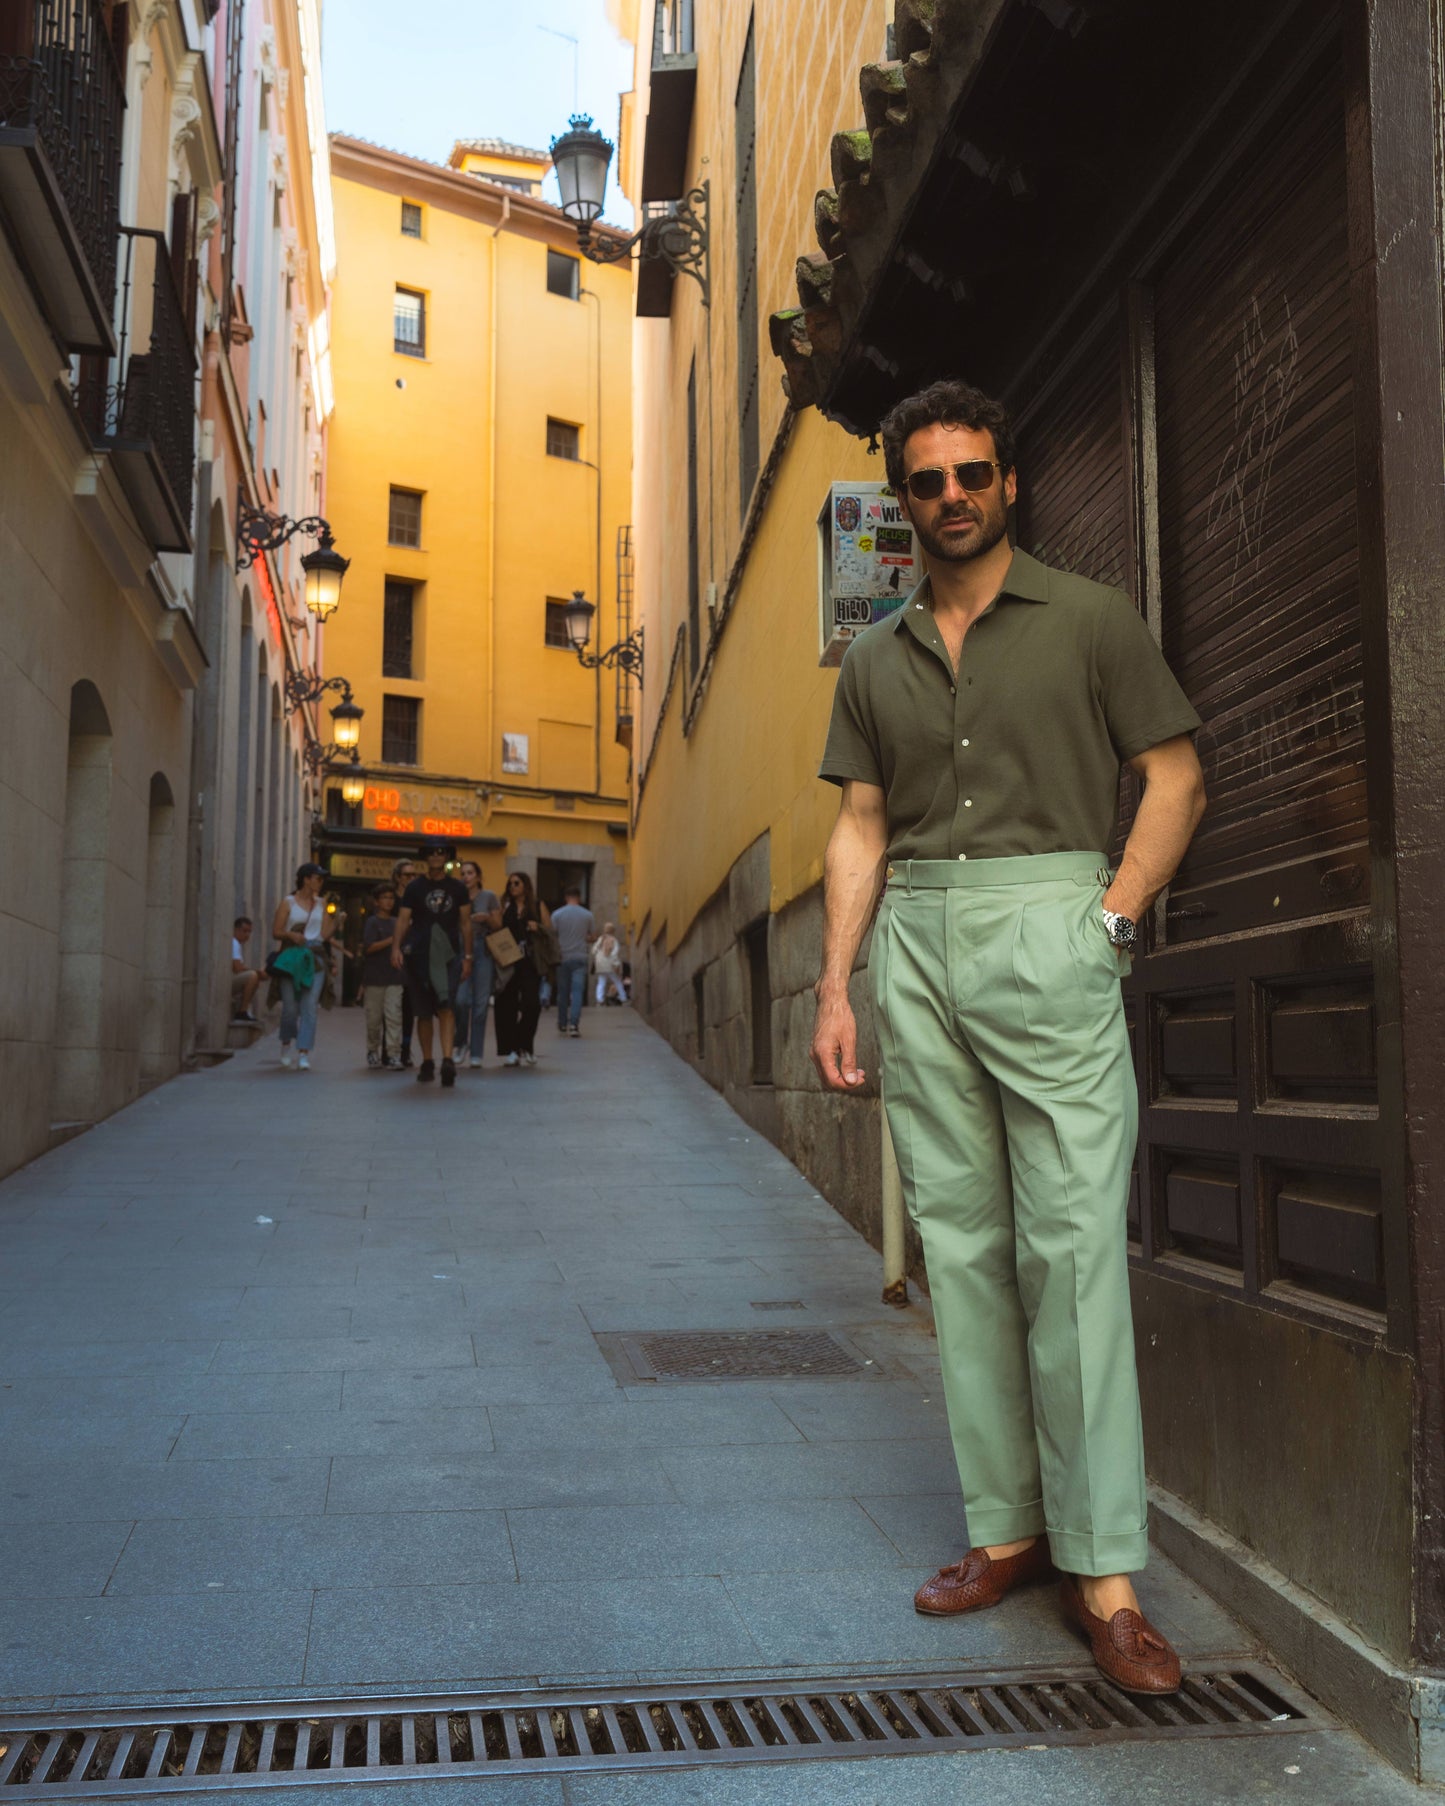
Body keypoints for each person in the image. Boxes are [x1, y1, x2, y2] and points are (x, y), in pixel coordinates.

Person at [811, 379, 1206, 1696]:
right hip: (916, 948)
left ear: (1008, 482)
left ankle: (1107, 1575)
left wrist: (1107, 919)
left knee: (1074, 1247)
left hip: (1052, 926)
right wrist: (832, 983)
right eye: (925, 482)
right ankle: (1007, 1530)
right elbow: (860, 824)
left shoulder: (1089, 618)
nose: (951, 498)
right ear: (902, 500)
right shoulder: (875, 658)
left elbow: (1173, 772)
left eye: (971, 473)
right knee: (964, 1249)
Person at [393, 842, 472, 1088]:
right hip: (419, 954)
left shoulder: (458, 888)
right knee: (423, 1011)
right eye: (432, 853)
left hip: (448, 955)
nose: (436, 856)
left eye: (441, 852)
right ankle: (428, 1061)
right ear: (425, 857)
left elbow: (466, 924)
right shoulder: (415, 887)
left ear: (447, 857)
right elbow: (404, 919)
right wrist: (396, 947)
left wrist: (468, 957)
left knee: (446, 1005)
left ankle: (447, 1060)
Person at [271, 863, 336, 1070]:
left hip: (314, 956)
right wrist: (291, 934)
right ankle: (286, 1043)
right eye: (318, 877)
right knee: (290, 1007)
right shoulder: (288, 903)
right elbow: (276, 931)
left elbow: (325, 935)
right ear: (306, 879)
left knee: (310, 1006)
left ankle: (304, 1051)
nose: (321, 881)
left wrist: (336, 919)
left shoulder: (321, 903)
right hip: (292, 956)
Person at [493, 870, 550, 1067]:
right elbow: (498, 929)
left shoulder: (537, 905)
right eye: (510, 884)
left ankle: (524, 1045)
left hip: (530, 962)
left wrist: (538, 928)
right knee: (507, 1007)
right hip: (509, 963)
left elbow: (550, 932)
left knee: (532, 1005)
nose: (512, 887)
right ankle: (513, 1049)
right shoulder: (505, 906)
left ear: (525, 885)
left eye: (516, 883)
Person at [452, 859, 502, 1069]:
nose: (466, 877)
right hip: (461, 948)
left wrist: (487, 919)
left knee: (481, 1005)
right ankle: (461, 1041)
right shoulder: (456, 897)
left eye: (470, 873)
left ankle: (477, 1052)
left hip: (483, 949)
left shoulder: (489, 896)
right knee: (461, 1000)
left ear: (479, 877)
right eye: (463, 873)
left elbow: (499, 925)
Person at [360, 884, 404, 1068]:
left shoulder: (398, 922)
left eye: (391, 898)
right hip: (375, 977)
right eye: (385, 898)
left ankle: (393, 1054)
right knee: (374, 1018)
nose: (389, 901)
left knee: (394, 1015)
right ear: (377, 902)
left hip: (395, 975)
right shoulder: (372, 922)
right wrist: (392, 940)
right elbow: (368, 947)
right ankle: (372, 1050)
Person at [550, 884, 596, 1036]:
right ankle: (574, 1025)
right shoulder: (588, 915)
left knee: (562, 992)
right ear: (579, 897)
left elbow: (552, 936)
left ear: (566, 897)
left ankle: (562, 1023)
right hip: (580, 957)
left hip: (562, 957)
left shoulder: (556, 915)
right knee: (577, 992)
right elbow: (592, 936)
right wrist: (584, 937)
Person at [391, 859, 418, 1066]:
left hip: (412, 957)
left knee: (409, 1006)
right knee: (390, 1006)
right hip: (390, 956)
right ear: (398, 877)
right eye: (407, 875)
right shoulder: (390, 900)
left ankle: (405, 1050)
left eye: (413, 875)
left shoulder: (417, 899)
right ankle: (389, 1049)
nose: (411, 879)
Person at [230, 916, 261, 1021]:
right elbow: (237, 968)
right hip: (228, 982)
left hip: (232, 979)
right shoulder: (234, 943)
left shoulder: (237, 944)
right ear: (235, 930)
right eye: (244, 931)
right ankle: (242, 1011)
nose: (247, 935)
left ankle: (245, 1009)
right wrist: (257, 972)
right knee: (253, 976)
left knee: (255, 978)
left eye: (249, 932)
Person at [593, 922, 628, 1005]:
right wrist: (616, 963)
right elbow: (615, 952)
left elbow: (594, 950)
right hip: (610, 965)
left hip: (601, 965)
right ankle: (623, 997)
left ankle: (599, 999)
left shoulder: (601, 939)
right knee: (617, 981)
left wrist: (599, 955)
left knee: (601, 982)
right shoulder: (614, 940)